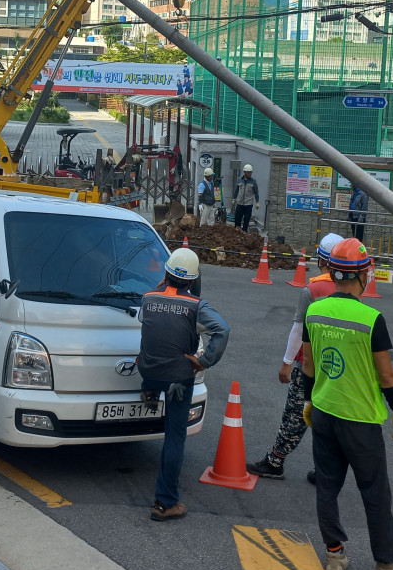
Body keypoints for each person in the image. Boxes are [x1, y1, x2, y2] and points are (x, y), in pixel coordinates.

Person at [301, 238, 393, 570]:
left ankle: (335, 556)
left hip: (324, 411)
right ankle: (387, 566)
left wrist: (310, 400)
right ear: (363, 276)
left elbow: (309, 364)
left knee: (327, 486)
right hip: (360, 420)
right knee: (375, 494)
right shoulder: (372, 319)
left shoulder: (315, 310)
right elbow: (387, 375)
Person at [138, 248, 230, 522]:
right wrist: (204, 360)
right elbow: (222, 330)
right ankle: (165, 503)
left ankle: (149, 390)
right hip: (178, 377)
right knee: (174, 437)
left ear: (165, 273)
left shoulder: (147, 298)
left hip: (149, 370)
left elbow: (153, 327)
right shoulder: (196, 306)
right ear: (192, 280)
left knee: (149, 360)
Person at [247, 233, 343, 484]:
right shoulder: (351, 290)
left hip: (309, 363)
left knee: (296, 413)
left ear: (323, 259)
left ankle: (275, 462)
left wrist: (287, 362)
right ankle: (327, 470)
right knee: (330, 417)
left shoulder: (312, 290)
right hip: (337, 366)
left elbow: (299, 330)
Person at [232, 164, 259, 232]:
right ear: (245, 172)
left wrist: (257, 202)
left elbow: (256, 192)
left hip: (248, 204)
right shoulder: (239, 180)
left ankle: (244, 232)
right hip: (240, 203)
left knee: (246, 220)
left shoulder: (253, 181)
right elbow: (236, 190)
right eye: (249, 172)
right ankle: (237, 232)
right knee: (237, 218)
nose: (250, 174)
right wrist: (234, 198)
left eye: (251, 172)